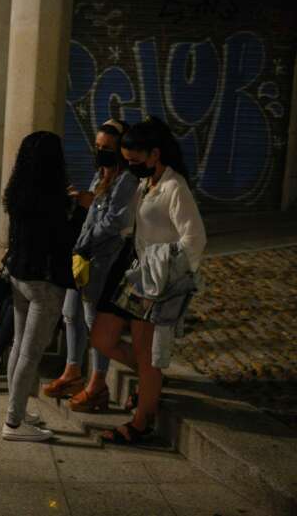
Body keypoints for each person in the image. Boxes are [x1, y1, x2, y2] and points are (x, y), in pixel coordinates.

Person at [92, 117, 206, 445]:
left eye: (135, 161)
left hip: (157, 281)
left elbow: (195, 239)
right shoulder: (146, 183)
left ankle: (142, 420)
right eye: (127, 161)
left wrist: (165, 267)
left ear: (155, 154)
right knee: (102, 337)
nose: (131, 167)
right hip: (136, 275)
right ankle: (150, 382)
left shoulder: (174, 188)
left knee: (146, 355)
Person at [43, 120, 137, 412]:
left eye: (107, 148)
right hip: (82, 254)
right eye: (97, 147)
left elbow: (115, 221)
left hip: (103, 259)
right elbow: (92, 213)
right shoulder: (101, 176)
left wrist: (91, 203)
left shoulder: (127, 180)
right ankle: (73, 370)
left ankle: (98, 383)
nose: (100, 153)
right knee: (70, 313)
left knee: (93, 321)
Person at [0, 131, 76, 442]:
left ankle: (16, 411)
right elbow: (62, 239)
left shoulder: (17, 190)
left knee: (19, 347)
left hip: (19, 275)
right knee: (30, 353)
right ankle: (13, 422)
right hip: (44, 282)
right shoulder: (54, 197)